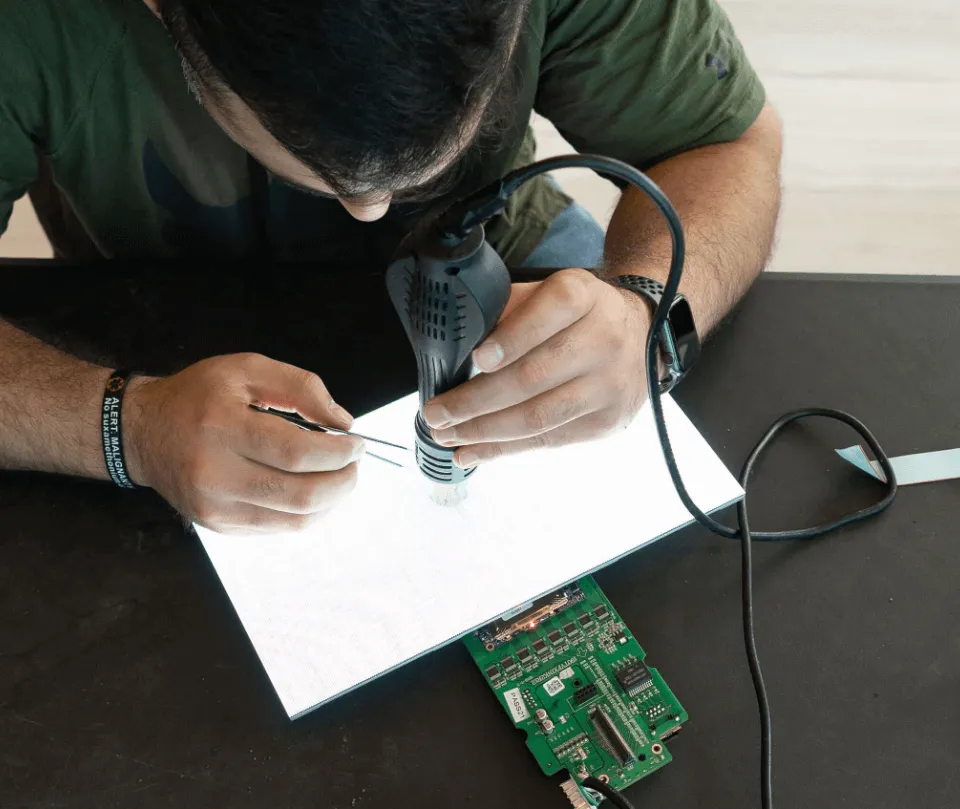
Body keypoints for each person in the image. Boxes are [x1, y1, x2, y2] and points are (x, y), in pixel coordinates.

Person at [0, 0, 781, 532]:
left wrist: (647, 309)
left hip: (507, 256)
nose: (374, 211)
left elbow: (728, 144)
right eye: (335, 176)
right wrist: (128, 427)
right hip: (145, 307)